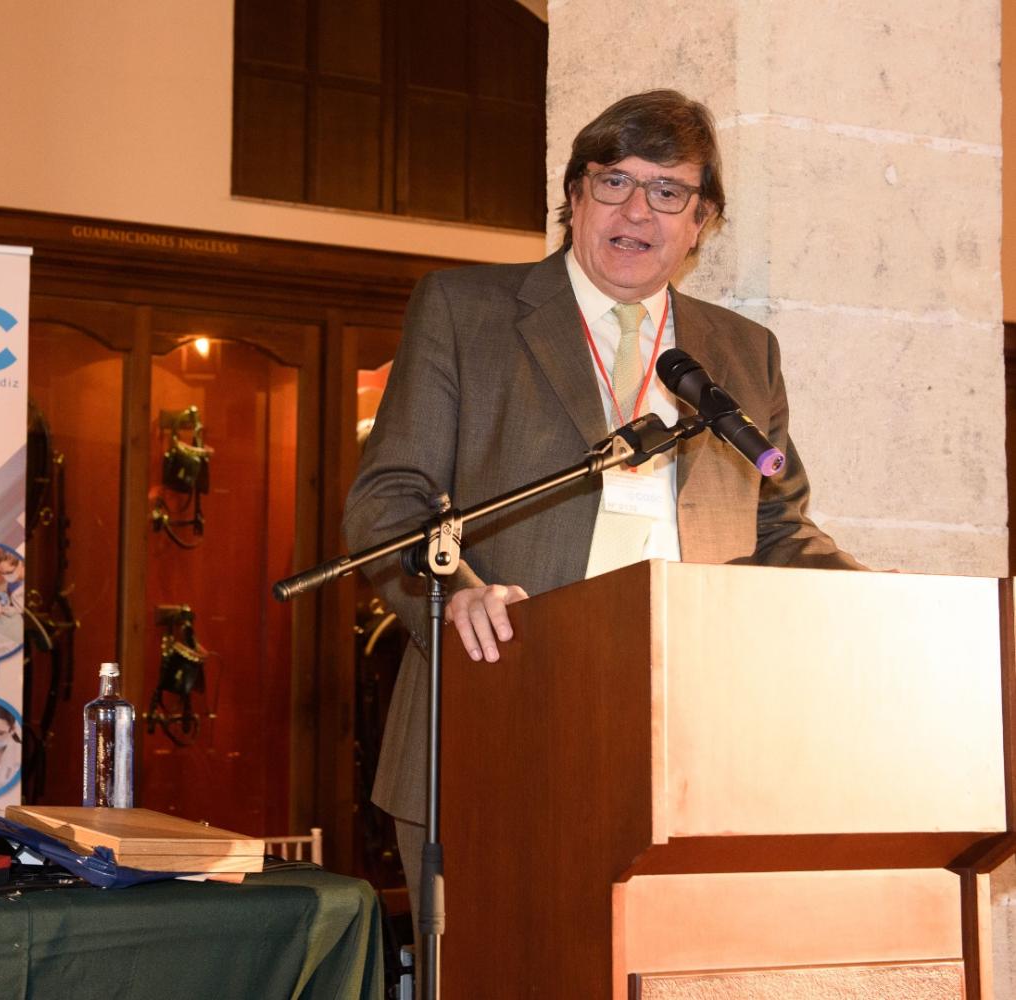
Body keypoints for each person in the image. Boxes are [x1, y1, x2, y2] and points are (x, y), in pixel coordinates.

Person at [341, 90, 865, 913]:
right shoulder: (464, 312)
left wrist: (873, 601)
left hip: (690, 741)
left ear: (701, 222)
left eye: (669, 191)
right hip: (498, 710)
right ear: (575, 196)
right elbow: (388, 499)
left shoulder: (743, 351)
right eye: (615, 180)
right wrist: (454, 593)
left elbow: (776, 524)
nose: (638, 211)